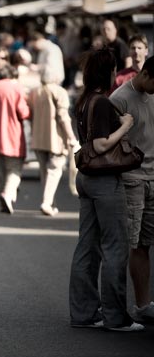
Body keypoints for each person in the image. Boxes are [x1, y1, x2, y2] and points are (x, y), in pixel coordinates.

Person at [69, 48, 143, 332]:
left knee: (86, 246)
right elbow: (101, 144)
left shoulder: (83, 100)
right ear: (108, 72)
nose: (116, 74)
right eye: (113, 69)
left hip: (85, 177)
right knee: (115, 246)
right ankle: (115, 316)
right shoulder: (101, 102)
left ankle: (83, 312)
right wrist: (125, 125)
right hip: (103, 179)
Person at [109, 55, 154, 324]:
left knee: (144, 245)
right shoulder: (120, 98)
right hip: (131, 179)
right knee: (128, 243)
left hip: (152, 178)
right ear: (146, 74)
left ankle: (142, 304)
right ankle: (116, 307)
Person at [28, 68, 78, 216]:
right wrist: (71, 137)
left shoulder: (35, 92)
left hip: (38, 138)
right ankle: (47, 202)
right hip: (56, 139)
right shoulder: (59, 91)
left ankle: (50, 203)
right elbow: (63, 116)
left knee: (45, 172)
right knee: (54, 171)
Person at [0, 65, 31, 214]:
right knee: (14, 169)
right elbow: (23, 112)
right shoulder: (15, 88)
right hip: (12, 136)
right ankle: (7, 195)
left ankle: (3, 201)